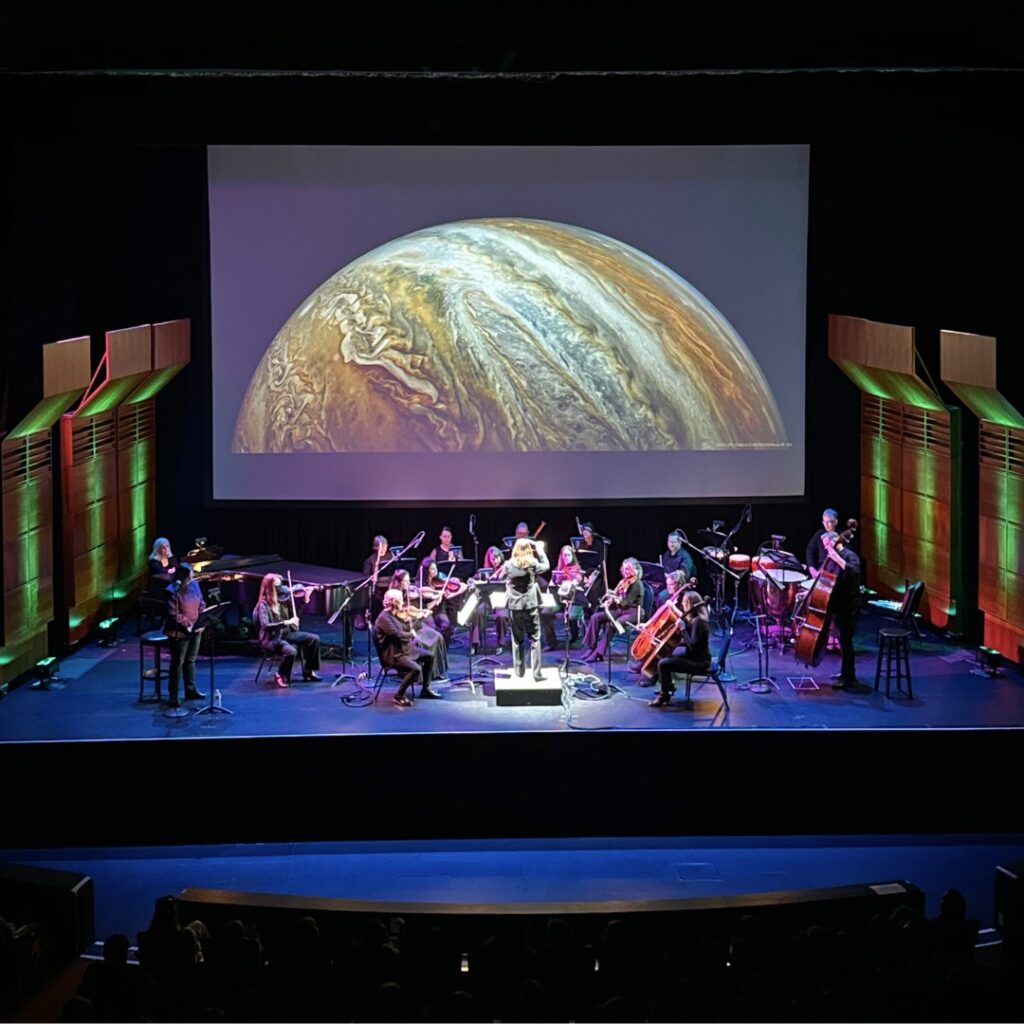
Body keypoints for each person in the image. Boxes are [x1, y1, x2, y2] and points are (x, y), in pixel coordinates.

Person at [253, 573, 322, 687]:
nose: (282, 590)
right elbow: (265, 625)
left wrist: (304, 601)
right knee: (291, 651)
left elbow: (295, 614)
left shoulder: (284, 600)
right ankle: (280, 674)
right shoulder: (263, 605)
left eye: (281, 586)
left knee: (314, 639)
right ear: (270, 589)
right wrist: (285, 622)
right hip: (272, 638)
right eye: (277, 587)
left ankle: (309, 671)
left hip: (288, 633)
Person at [648, 590, 712, 707]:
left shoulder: (699, 622)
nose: (683, 606)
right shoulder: (696, 619)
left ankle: (664, 696)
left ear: (690, 604)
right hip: (696, 657)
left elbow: (694, 647)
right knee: (667, 657)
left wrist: (682, 629)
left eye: (684, 603)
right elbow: (692, 642)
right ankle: (669, 687)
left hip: (699, 662)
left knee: (663, 664)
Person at [375, 588, 437, 706]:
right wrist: (411, 634)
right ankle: (399, 695)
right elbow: (397, 634)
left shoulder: (393, 615)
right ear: (394, 602)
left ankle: (426, 689)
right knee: (416, 669)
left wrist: (418, 618)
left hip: (404, 649)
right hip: (394, 654)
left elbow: (403, 629)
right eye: (401, 601)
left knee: (430, 656)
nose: (403, 603)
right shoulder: (384, 618)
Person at [390, 568, 448, 682]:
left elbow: (422, 605)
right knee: (422, 642)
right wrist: (415, 612)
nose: (409, 584)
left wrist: (435, 600)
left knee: (438, 636)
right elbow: (400, 615)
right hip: (405, 628)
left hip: (417, 624)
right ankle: (421, 674)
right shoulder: (394, 596)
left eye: (408, 581)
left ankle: (435, 672)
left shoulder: (410, 592)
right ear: (398, 582)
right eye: (405, 581)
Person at [581, 558, 644, 662]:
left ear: (636, 570)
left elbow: (625, 603)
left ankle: (599, 652)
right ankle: (591, 647)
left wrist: (617, 600)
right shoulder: (623, 582)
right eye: (624, 569)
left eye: (628, 569)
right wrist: (610, 600)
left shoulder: (636, 584)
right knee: (596, 617)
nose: (625, 572)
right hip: (621, 610)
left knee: (613, 625)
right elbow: (616, 595)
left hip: (633, 612)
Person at [821, 528, 862, 688]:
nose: (825, 548)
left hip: (849, 606)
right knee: (842, 642)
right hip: (839, 606)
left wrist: (837, 558)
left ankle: (849, 679)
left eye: (826, 545)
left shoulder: (850, 556)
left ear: (834, 541)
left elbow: (854, 570)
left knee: (846, 642)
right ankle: (845, 673)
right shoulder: (834, 558)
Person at [504, 538, 550, 680]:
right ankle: (536, 674)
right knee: (535, 638)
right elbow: (547, 565)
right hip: (530, 606)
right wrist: (540, 549)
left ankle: (519, 672)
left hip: (515, 607)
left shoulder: (508, 565)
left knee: (517, 639)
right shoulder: (532, 564)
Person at [164, 561, 206, 704]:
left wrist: (201, 622)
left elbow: (201, 603)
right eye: (190, 575)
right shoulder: (172, 590)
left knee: (190, 660)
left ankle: (191, 690)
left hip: (196, 629)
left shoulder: (195, 585)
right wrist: (189, 625)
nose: (192, 577)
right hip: (180, 632)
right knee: (177, 663)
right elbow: (174, 613)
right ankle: (174, 696)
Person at [546, 544, 586, 649]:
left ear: (572, 556)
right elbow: (552, 584)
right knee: (545, 613)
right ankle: (552, 642)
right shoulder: (558, 569)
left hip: (574, 600)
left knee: (571, 615)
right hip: (560, 600)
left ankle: (575, 638)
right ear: (561, 557)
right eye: (565, 555)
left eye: (569, 555)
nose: (567, 557)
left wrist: (574, 581)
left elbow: (578, 581)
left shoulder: (577, 569)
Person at [470, 546, 507, 654]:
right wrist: (472, 582)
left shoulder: (506, 568)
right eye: (492, 558)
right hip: (487, 601)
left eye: (497, 558)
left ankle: (500, 644)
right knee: (478, 613)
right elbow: (472, 579)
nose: (495, 560)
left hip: (501, 601)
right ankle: (475, 644)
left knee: (501, 616)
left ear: (501, 557)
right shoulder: (485, 571)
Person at [361, 535, 393, 626]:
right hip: (377, 588)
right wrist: (371, 578)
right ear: (376, 547)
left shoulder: (391, 557)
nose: (383, 548)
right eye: (380, 546)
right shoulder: (370, 560)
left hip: (389, 586)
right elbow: (365, 577)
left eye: (384, 546)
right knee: (376, 599)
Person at [805, 508, 839, 577]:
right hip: (821, 568)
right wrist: (811, 568)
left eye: (829, 521)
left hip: (836, 572)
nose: (826, 524)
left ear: (835, 522)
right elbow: (810, 549)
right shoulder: (819, 534)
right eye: (824, 521)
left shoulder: (841, 536)